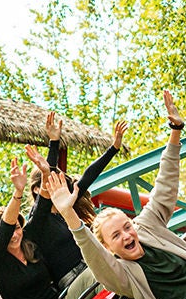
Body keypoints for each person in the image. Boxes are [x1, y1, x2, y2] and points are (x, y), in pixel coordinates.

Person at [46, 91, 186, 299]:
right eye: (116, 236)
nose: (127, 236)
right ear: (110, 249)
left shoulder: (147, 226)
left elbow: (164, 187)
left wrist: (175, 132)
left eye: (127, 227)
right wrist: (68, 213)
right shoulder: (122, 274)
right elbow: (92, 252)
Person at [0, 159, 96, 299]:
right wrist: (17, 193)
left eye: (18, 228)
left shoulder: (30, 245)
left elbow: (43, 204)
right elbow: (5, 227)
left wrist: (45, 173)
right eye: (10, 231)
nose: (15, 234)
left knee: (96, 273)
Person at [22, 113, 127, 282]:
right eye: (48, 178)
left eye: (57, 177)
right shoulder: (38, 219)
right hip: (72, 277)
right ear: (36, 189)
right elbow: (47, 177)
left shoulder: (67, 204)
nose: (54, 180)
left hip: (90, 263)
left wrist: (114, 148)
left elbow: (88, 176)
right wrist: (53, 144)